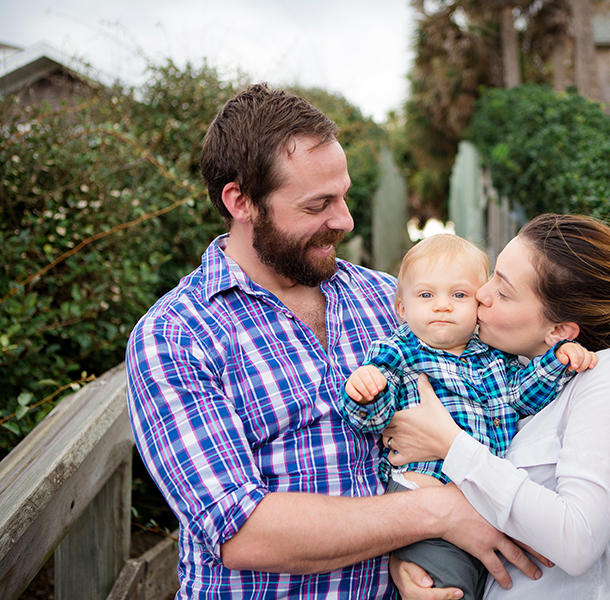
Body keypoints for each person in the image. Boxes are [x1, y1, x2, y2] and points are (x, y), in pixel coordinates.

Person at [125, 83, 545, 599]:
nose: (343, 220)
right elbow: (239, 530)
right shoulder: (177, 335)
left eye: (344, 195)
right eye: (318, 204)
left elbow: (500, 380)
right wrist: (436, 514)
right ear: (241, 202)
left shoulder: (388, 299)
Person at [385, 213, 610, 599]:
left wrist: (451, 444)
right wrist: (418, 555)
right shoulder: (503, 367)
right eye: (492, 275)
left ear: (558, 331)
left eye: (503, 292)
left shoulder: (609, 379)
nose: (481, 294)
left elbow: (578, 540)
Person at [338, 233, 596, 599]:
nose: (442, 306)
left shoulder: (493, 356)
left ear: (478, 304)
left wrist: (557, 363)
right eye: (426, 295)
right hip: (423, 489)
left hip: (481, 491)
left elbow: (522, 396)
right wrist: (366, 390)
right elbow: (373, 421)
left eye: (458, 295)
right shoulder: (398, 351)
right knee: (446, 580)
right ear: (401, 308)